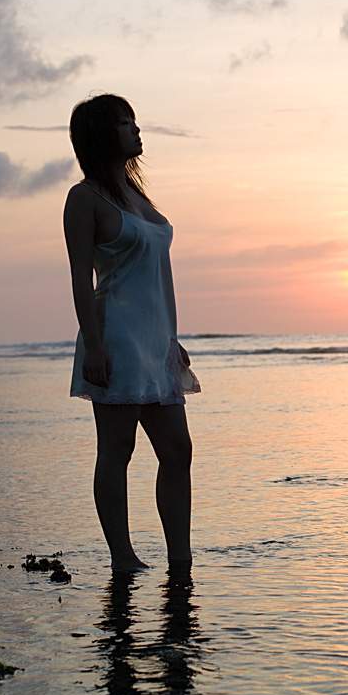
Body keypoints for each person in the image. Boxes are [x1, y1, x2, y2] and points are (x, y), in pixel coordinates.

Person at [63, 93, 202, 574]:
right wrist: (94, 345)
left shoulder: (138, 197)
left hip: (155, 343)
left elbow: (155, 278)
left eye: (134, 121)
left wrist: (171, 339)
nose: (136, 130)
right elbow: (81, 279)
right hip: (116, 339)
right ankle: (123, 558)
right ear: (102, 134)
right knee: (117, 449)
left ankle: (180, 557)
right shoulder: (84, 198)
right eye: (126, 123)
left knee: (178, 450)